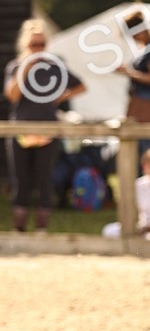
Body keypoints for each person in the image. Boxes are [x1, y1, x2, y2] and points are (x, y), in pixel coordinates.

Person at [3, 19, 86, 232]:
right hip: (21, 129)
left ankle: (42, 229)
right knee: (21, 179)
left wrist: (59, 97)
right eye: (34, 44)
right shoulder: (15, 66)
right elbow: (12, 97)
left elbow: (81, 86)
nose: (38, 48)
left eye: (42, 44)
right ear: (25, 45)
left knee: (44, 179)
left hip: (48, 129)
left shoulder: (55, 66)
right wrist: (25, 70)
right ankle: (19, 228)